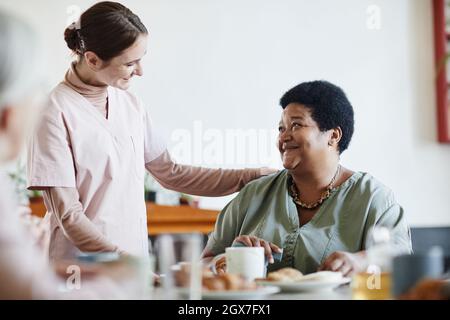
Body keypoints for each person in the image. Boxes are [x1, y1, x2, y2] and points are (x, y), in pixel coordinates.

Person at [27, 1, 274, 261]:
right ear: (92, 59)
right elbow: (69, 215)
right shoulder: (53, 112)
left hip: (133, 262)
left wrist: (250, 177)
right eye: (130, 63)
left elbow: (171, 174)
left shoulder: (130, 105)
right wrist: (126, 263)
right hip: (80, 267)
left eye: (141, 59)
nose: (140, 71)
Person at [202, 80, 412, 277]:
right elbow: (203, 266)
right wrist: (231, 257)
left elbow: (401, 259)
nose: (283, 137)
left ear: (333, 136)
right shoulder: (253, 195)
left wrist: (360, 261)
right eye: (281, 128)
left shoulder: (373, 197)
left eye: (296, 125)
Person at [0, 10, 141, 299]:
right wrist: (123, 278)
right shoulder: (59, 107)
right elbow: (31, 292)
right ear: (8, 113)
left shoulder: (128, 104)